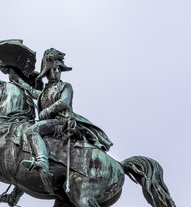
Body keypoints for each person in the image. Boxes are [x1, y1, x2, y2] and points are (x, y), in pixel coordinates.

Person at [10, 48, 113, 192]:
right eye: (54, 69)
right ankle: (17, 191)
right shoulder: (45, 92)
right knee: (26, 145)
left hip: (62, 122)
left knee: (32, 130)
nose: (57, 72)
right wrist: (17, 80)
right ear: (47, 72)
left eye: (59, 69)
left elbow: (64, 102)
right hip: (49, 124)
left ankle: (42, 162)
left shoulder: (66, 86)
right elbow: (32, 92)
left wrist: (48, 110)